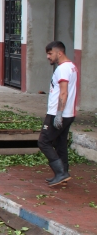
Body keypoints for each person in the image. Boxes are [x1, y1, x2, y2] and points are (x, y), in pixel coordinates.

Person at [37, 41, 78, 187]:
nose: (48, 57)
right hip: (69, 113)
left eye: (50, 53)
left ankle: (61, 173)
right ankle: (63, 174)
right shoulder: (72, 67)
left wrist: (59, 114)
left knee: (43, 142)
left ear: (59, 53)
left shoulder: (63, 69)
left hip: (58, 113)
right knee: (60, 143)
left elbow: (64, 92)